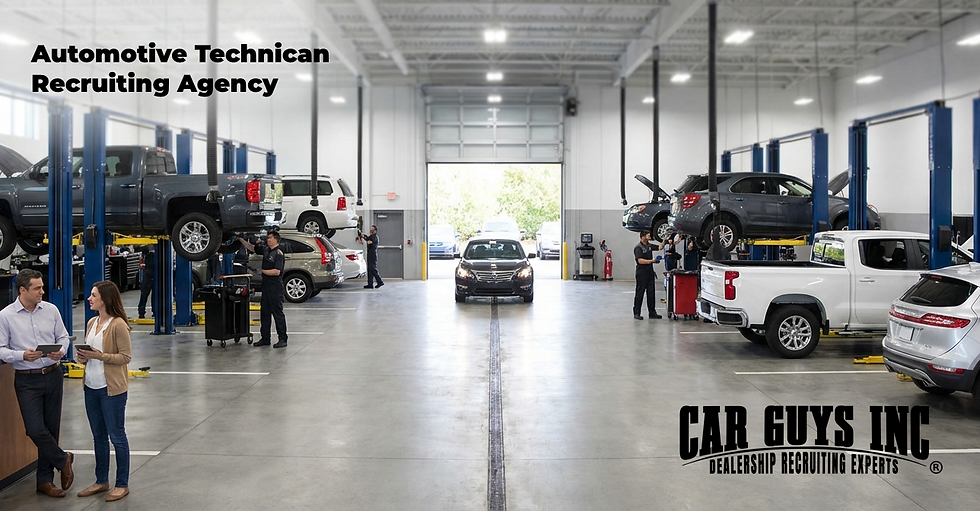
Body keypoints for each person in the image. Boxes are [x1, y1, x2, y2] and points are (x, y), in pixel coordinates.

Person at [0, 269, 74, 498]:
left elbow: (63, 337)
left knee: (51, 429)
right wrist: (22, 355)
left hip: (53, 374)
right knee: (34, 429)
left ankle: (44, 481)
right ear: (23, 290)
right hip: (26, 380)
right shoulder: (5, 316)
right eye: (37, 288)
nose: (42, 291)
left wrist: (61, 351)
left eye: (42, 287)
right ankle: (63, 459)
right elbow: (1, 349)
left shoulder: (50, 310)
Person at [75, 281, 132, 502]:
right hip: (91, 386)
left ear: (105, 299)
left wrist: (100, 356)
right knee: (98, 436)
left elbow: (125, 357)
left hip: (112, 390)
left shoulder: (118, 325)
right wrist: (83, 358)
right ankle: (101, 480)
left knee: (117, 436)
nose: (89, 298)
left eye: (93, 295)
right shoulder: (91, 322)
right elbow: (89, 354)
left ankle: (122, 483)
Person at [238, 231, 288, 348]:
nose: (268, 240)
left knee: (277, 313)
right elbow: (253, 248)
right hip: (266, 286)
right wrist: (241, 240)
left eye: (270, 238)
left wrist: (262, 271)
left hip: (275, 287)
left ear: (276, 239)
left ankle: (283, 339)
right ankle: (265, 338)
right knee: (264, 313)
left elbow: (277, 271)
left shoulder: (278, 253)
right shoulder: (266, 250)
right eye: (268, 238)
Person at [633, 231, 662, 320]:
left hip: (650, 272)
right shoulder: (638, 248)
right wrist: (652, 261)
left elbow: (660, 247)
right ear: (642, 237)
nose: (649, 236)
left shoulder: (649, 246)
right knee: (640, 293)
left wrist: (664, 239)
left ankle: (652, 313)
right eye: (647, 235)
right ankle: (637, 313)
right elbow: (640, 261)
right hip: (641, 273)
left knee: (651, 293)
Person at [358, 225, 384, 289]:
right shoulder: (371, 236)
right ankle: (370, 284)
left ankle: (380, 281)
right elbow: (367, 239)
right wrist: (363, 236)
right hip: (369, 253)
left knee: (373, 268)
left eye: (372, 229)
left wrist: (366, 238)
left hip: (373, 254)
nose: (370, 229)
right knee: (369, 269)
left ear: (375, 230)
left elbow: (369, 242)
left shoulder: (375, 237)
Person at [137, 246, 156, 319]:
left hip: (147, 277)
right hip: (153, 276)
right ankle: (155, 312)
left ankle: (141, 313)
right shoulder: (153, 255)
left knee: (144, 296)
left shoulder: (149, 256)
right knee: (154, 297)